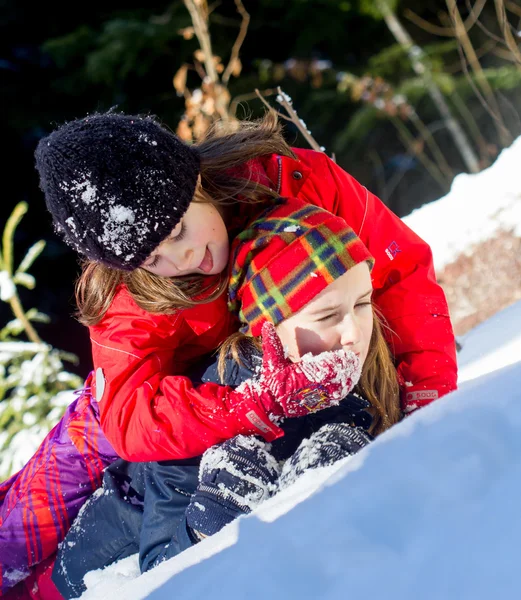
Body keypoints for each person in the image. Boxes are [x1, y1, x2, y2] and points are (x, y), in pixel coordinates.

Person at [0, 109, 457, 597]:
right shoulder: (127, 289)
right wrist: (246, 405)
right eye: (154, 258)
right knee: (32, 513)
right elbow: (127, 415)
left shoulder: (293, 181)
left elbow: (398, 271)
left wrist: (428, 406)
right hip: (162, 403)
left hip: (260, 373)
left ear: (194, 180)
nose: (181, 260)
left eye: (177, 231)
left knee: (102, 544)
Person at [51, 199, 402, 599]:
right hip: (97, 565)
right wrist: (215, 510)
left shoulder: (336, 381)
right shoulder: (217, 403)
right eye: (326, 316)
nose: (355, 332)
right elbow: (160, 576)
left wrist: (331, 464)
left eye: (362, 303)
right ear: (265, 327)